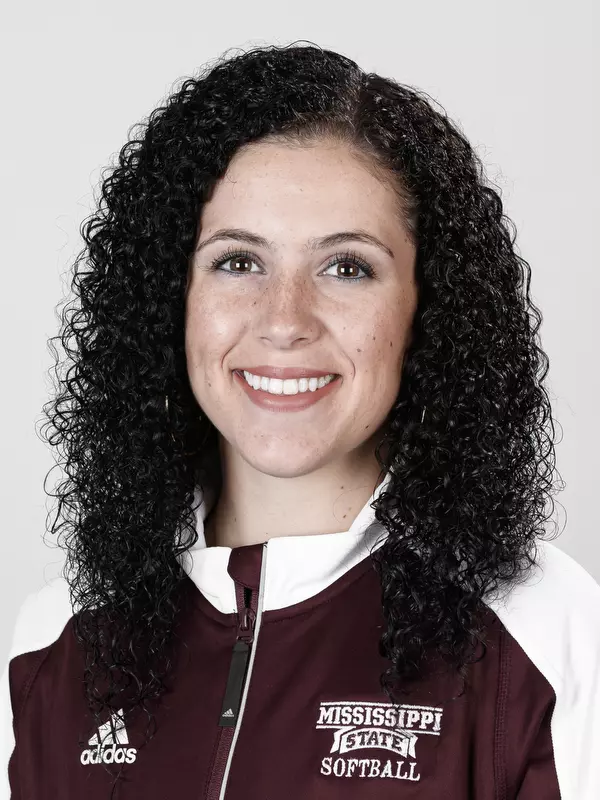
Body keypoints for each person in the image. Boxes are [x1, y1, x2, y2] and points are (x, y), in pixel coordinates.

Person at [1, 41, 599, 800]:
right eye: (237, 261)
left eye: (347, 267)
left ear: (429, 309)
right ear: (169, 299)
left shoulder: (544, 628)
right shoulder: (55, 643)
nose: (285, 320)